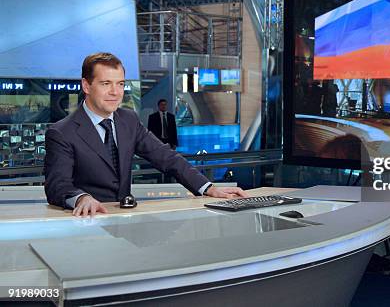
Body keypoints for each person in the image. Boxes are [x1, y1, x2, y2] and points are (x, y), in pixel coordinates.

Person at [44, 53, 246, 217]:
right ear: (86, 86)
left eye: (120, 84)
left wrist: (207, 187)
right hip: (85, 224)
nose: (115, 92)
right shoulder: (62, 132)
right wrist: (81, 198)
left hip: (123, 222)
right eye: (106, 84)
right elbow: (57, 186)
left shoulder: (128, 120)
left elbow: (166, 157)